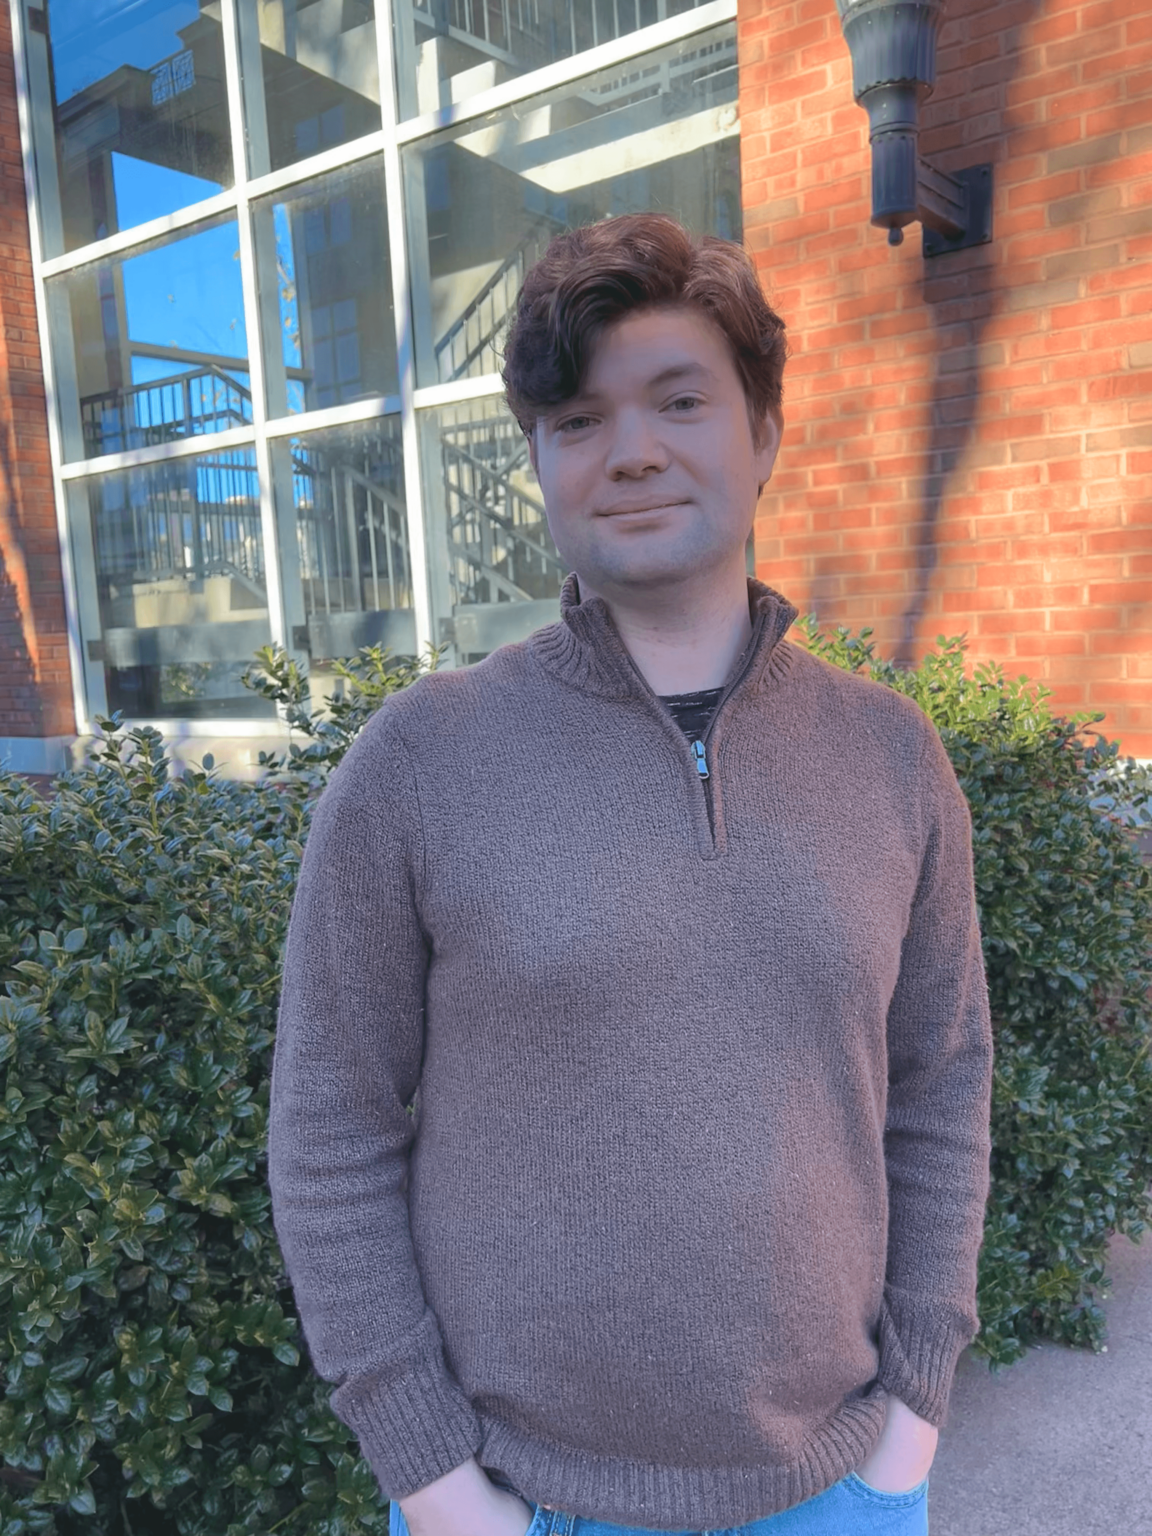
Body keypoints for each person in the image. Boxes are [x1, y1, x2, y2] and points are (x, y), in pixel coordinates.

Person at [267, 213, 994, 1536]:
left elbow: (942, 1090)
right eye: (580, 420)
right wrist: (437, 1484)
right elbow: (330, 1127)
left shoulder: (892, 759)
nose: (635, 450)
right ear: (541, 463)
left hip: (837, 1492)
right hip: (516, 1501)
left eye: (680, 400)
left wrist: (911, 1423)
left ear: (763, 431)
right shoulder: (421, 762)